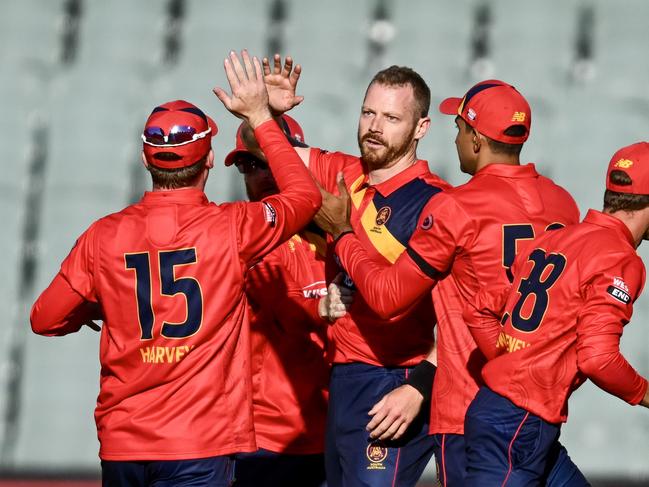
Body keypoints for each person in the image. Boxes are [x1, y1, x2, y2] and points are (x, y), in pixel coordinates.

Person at [29, 50, 321, 487]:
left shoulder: (102, 236)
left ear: (147, 160)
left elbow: (44, 318)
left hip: (124, 441)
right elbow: (305, 196)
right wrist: (261, 117)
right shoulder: (232, 229)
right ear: (208, 160)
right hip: (199, 444)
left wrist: (100, 307)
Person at [315, 79, 586, 485]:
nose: (455, 136)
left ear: (476, 139)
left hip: (468, 411)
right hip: (538, 411)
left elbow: (388, 298)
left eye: (459, 126)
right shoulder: (564, 203)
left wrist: (343, 234)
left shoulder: (455, 206)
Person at [257, 54, 451, 487]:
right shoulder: (344, 173)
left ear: (421, 128)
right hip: (345, 377)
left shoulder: (435, 203)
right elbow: (263, 149)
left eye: (391, 117)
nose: (375, 126)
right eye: (368, 112)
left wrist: (420, 384)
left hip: (396, 379)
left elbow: (468, 312)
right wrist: (265, 113)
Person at [463, 142, 649, 486]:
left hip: (512, 420)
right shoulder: (620, 258)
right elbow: (598, 358)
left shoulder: (556, 238)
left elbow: (479, 305)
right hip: (516, 426)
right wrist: (645, 393)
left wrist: (512, 361)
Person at [225, 115, 338, 487]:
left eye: (271, 161)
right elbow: (280, 298)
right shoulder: (241, 236)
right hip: (266, 438)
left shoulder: (340, 237)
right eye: (249, 164)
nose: (260, 174)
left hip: (334, 432)